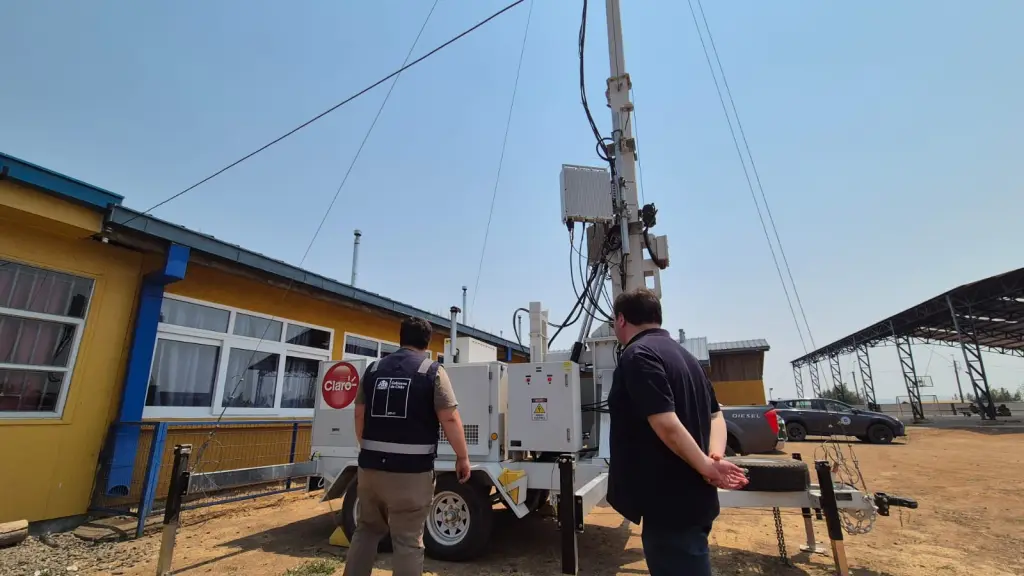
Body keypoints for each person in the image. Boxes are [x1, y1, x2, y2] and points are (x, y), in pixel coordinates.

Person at [605, 288, 748, 576]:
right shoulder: (687, 358)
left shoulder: (638, 355)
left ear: (621, 320)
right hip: (695, 498)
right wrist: (713, 457)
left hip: (669, 501)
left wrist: (707, 464)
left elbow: (666, 424)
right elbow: (716, 414)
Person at [343, 316, 472, 576]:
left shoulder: (373, 369)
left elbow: (359, 414)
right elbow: (449, 417)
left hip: (369, 471)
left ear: (400, 337)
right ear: (428, 341)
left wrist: (369, 449)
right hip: (411, 475)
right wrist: (463, 457)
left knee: (366, 530)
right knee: (407, 540)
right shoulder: (432, 371)